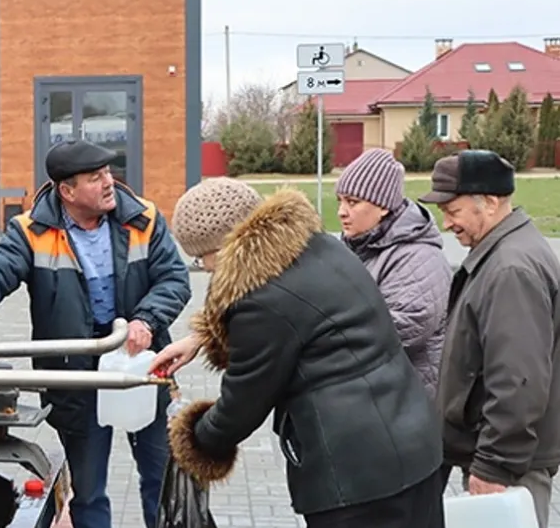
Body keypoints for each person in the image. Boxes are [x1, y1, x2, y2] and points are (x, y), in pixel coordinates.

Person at [0, 139, 192, 528]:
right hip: (72, 374)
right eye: (95, 178)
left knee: (161, 481)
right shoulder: (31, 231)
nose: (109, 182)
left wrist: (146, 320)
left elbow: (174, 279)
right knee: (89, 490)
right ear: (67, 191)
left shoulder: (143, 218)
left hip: (140, 363)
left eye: (109, 173)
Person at [149, 177, 444, 528]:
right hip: (414, 444)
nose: (206, 268)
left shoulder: (256, 301)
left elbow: (243, 403)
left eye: (202, 257)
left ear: (225, 246)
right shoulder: (321, 246)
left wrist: (192, 435)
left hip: (354, 477)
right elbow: (302, 315)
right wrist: (200, 338)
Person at [420, 149, 560, 528]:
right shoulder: (501, 254)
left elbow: (518, 379)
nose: (447, 224)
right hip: (502, 457)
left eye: (453, 211)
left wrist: (494, 466)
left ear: (491, 203)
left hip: (509, 468)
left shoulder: (510, 269)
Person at [334, 148, 450, 397]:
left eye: (353, 202)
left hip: (409, 406)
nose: (342, 211)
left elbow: (401, 328)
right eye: (340, 201)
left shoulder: (419, 258)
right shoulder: (357, 247)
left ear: (384, 207)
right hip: (378, 400)